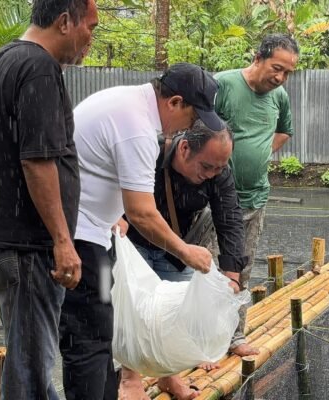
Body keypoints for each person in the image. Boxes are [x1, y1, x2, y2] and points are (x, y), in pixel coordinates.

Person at [59, 63, 227, 400]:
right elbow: (142, 213)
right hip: (80, 236)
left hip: (91, 230)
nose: (190, 127)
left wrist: (114, 213)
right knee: (89, 342)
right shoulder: (137, 128)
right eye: (192, 117)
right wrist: (186, 251)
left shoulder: (127, 103)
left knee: (98, 335)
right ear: (175, 102)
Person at [0, 1, 98, 399]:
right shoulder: (39, 68)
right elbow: (37, 161)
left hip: (0, 232)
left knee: (29, 359)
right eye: (90, 27)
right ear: (64, 22)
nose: (91, 39)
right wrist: (62, 241)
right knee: (29, 372)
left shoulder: (4, 57)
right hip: (24, 243)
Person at [123, 121, 246, 399]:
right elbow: (116, 189)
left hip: (181, 243)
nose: (213, 174)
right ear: (185, 148)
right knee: (133, 309)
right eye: (206, 167)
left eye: (219, 168)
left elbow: (229, 217)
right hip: (136, 238)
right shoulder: (148, 152)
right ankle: (129, 379)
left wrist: (232, 274)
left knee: (177, 311)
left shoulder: (218, 171)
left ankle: (168, 375)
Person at [213, 33, 300, 356]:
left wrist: (260, 153)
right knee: (207, 272)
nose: (280, 77)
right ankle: (202, 342)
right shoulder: (222, 85)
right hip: (215, 200)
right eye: (276, 68)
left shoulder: (280, 97)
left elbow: (284, 131)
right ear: (258, 58)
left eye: (287, 72)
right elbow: (195, 131)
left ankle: (234, 337)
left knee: (243, 269)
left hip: (254, 198)